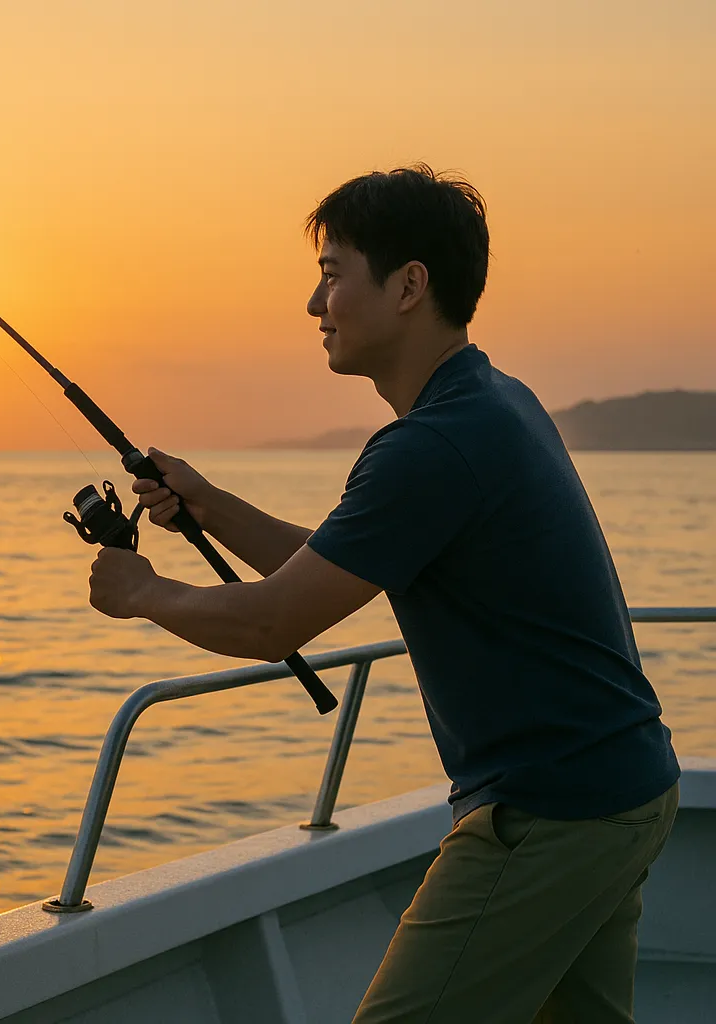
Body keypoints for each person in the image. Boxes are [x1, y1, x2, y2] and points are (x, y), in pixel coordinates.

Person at [87, 165, 680, 1023]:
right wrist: (208, 506)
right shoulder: (493, 402)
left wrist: (144, 590)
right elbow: (330, 567)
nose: (312, 302)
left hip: (549, 812)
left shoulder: (432, 446)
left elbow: (272, 619)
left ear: (409, 286)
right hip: (625, 788)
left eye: (332, 273)